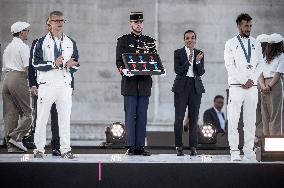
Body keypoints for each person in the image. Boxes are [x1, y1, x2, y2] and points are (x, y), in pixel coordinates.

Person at [33, 11, 79, 159]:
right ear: (50, 22)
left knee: (65, 119)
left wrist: (71, 65)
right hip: (47, 85)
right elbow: (36, 63)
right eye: (56, 20)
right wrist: (53, 64)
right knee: (41, 119)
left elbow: (76, 64)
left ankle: (65, 150)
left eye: (62, 20)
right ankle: (39, 149)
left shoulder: (70, 42)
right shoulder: (41, 42)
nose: (59, 23)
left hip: (64, 85)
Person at [116, 12, 163, 156]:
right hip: (129, 84)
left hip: (144, 85)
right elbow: (119, 61)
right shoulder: (123, 40)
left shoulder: (150, 41)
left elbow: (154, 59)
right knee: (130, 116)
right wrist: (124, 71)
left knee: (142, 116)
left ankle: (140, 147)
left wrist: (158, 68)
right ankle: (130, 146)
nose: (138, 24)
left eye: (140, 22)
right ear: (131, 23)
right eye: (135, 22)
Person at [224, 13, 264, 161]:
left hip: (252, 87)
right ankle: (234, 151)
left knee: (250, 120)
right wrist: (242, 80)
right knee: (233, 120)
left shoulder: (256, 42)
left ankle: (248, 151)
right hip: (236, 86)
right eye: (246, 25)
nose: (248, 28)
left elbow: (261, 63)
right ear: (239, 26)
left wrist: (251, 80)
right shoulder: (230, 43)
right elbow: (229, 65)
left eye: (250, 26)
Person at [28, 18, 61, 156]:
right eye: (48, 25)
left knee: (57, 118)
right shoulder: (38, 43)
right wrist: (33, 85)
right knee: (40, 118)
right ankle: (39, 148)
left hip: (59, 87)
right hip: (43, 86)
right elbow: (32, 67)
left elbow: (69, 67)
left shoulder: (64, 43)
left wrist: (71, 86)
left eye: (51, 25)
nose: (49, 27)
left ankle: (56, 147)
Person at [172, 30, 205, 156]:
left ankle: (193, 146)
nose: (190, 40)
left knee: (193, 118)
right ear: (184, 40)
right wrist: (190, 60)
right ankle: (179, 146)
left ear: (195, 39)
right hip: (181, 87)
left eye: (192, 38)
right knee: (179, 118)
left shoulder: (200, 54)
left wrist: (197, 61)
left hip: (195, 87)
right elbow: (178, 70)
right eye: (187, 38)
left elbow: (201, 72)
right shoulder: (178, 53)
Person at [2, 21, 33, 153]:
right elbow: (27, 69)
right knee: (28, 113)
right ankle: (14, 137)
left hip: (6, 80)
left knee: (10, 114)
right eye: (27, 30)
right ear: (21, 32)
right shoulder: (23, 47)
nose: (28, 33)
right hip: (18, 78)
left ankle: (11, 147)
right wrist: (33, 84)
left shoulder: (8, 47)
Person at [259, 33, 284, 136]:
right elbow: (278, 74)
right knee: (276, 114)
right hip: (275, 84)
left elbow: (259, 73)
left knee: (265, 114)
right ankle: (275, 141)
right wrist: (269, 87)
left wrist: (263, 86)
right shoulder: (282, 56)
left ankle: (265, 139)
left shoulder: (265, 57)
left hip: (264, 83)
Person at [254, 34, 269, 147]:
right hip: (257, 89)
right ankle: (258, 138)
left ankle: (259, 137)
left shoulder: (270, 58)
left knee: (265, 115)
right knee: (259, 115)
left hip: (264, 89)